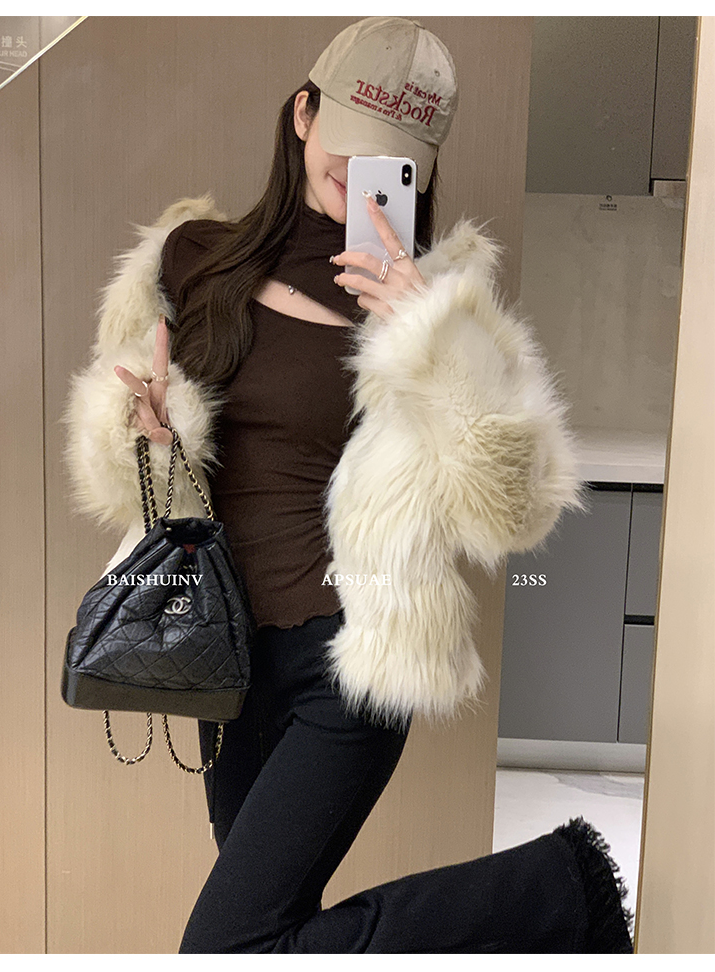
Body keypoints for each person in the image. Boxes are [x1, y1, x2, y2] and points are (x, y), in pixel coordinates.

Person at [63, 17, 634, 953]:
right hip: (229, 657)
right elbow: (150, 493)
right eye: (353, 141)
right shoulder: (194, 258)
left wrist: (432, 338)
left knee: (223, 950)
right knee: (270, 940)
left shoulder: (436, 297)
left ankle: (562, 889)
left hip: (352, 657)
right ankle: (555, 896)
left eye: (393, 160)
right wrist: (153, 439)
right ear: (303, 114)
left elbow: (516, 504)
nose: (363, 172)